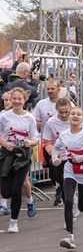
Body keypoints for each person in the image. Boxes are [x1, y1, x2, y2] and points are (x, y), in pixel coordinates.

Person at [52, 106, 83, 249]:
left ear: (82, 118)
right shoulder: (64, 134)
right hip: (69, 170)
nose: (75, 116)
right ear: (68, 116)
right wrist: (55, 158)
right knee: (68, 200)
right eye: (72, 114)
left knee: (82, 206)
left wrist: (82, 158)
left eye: (78, 114)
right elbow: (56, 148)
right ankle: (70, 237)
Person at [0, 88, 39, 233]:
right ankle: (9, 202)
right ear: (11, 100)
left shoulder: (29, 118)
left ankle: (13, 222)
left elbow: (36, 137)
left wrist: (31, 143)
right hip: (6, 155)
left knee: (16, 189)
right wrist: (5, 144)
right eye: (14, 99)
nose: (16, 101)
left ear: (24, 100)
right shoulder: (4, 116)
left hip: (23, 156)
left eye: (19, 99)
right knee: (5, 192)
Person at [42, 98, 73, 206]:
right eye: (61, 112)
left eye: (66, 112)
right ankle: (68, 205)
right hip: (60, 157)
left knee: (76, 180)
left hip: (75, 155)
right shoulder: (51, 122)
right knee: (63, 181)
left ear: (70, 109)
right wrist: (53, 153)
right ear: (56, 110)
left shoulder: (75, 118)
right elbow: (47, 141)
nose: (64, 115)